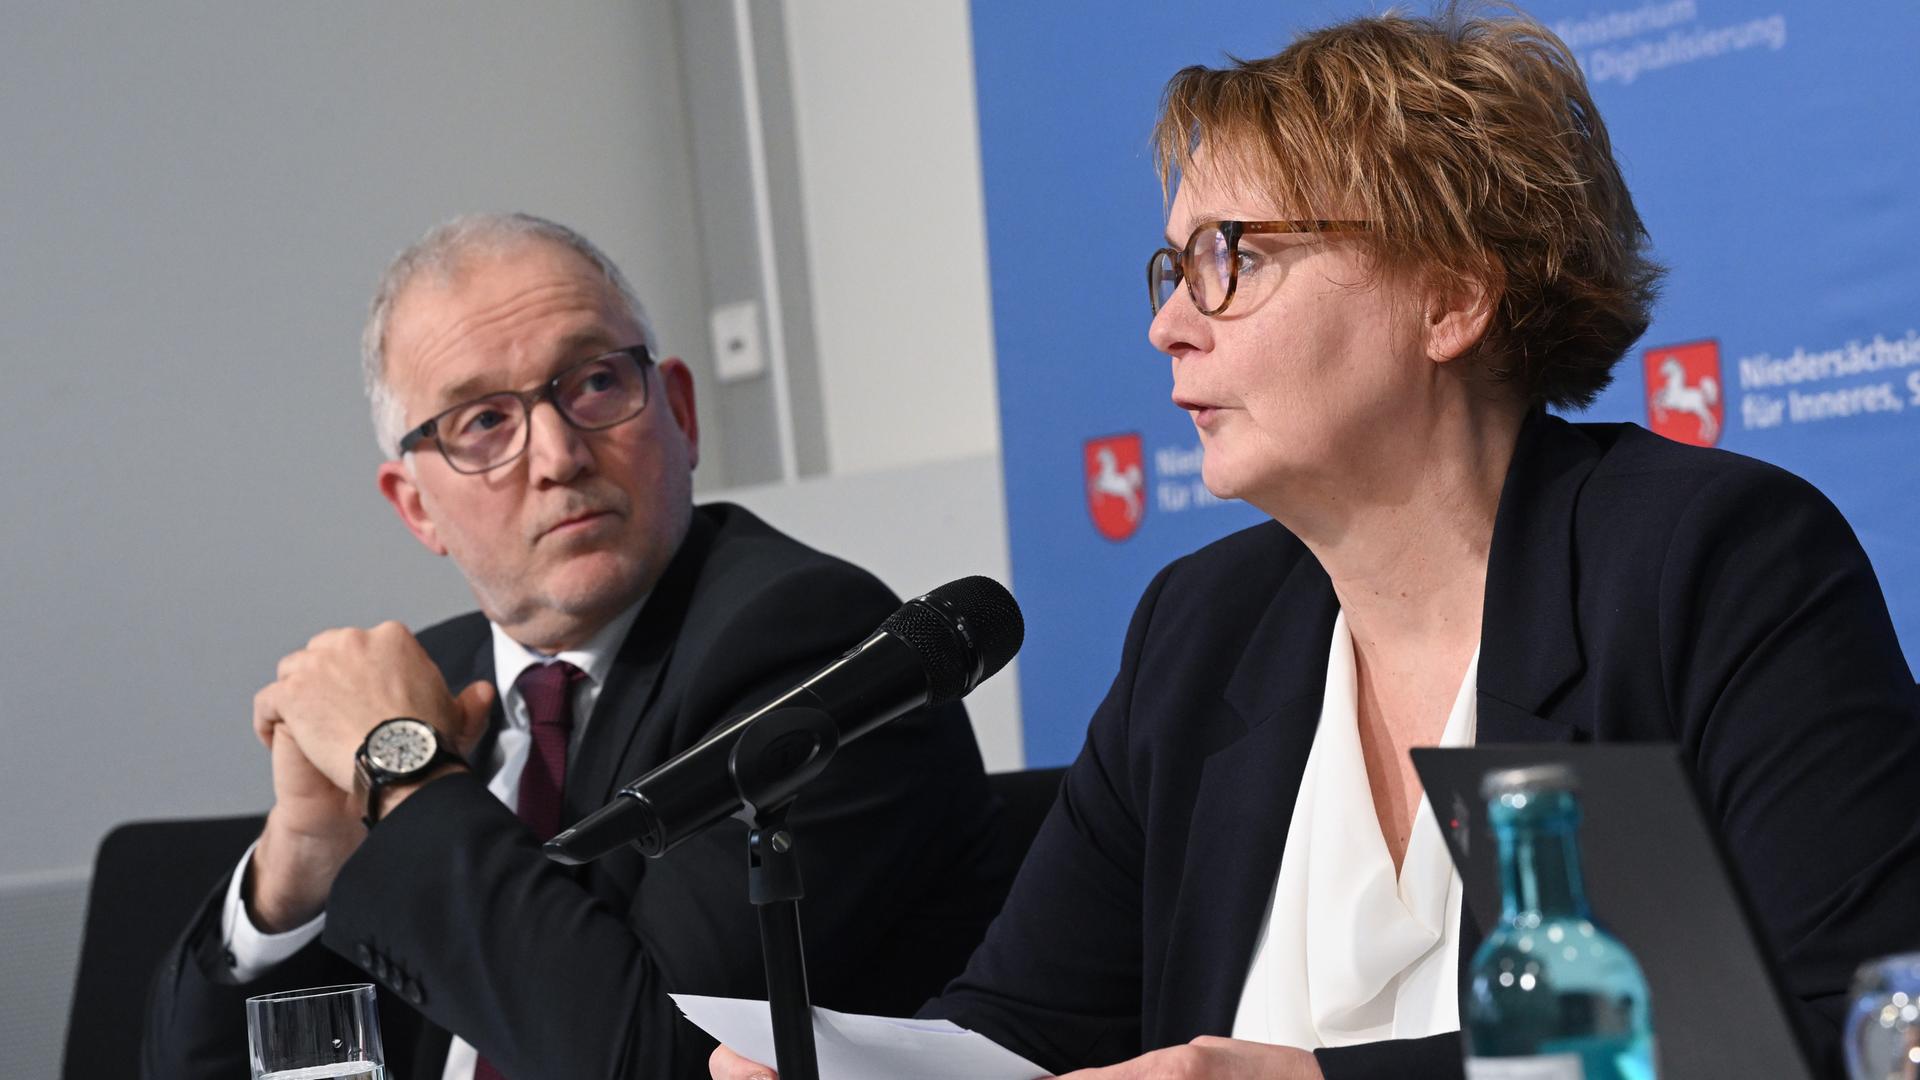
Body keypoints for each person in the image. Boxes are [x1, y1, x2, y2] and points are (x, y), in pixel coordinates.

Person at [713, 6, 1920, 1079]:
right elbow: (1020, 1029)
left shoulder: (1698, 566)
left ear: (1451, 298)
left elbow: (1854, 1027)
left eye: (1231, 257)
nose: (1169, 327)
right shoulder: (1203, 631)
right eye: (1171, 268)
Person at [141, 213, 1009, 1079]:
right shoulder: (431, 688)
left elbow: (646, 1061)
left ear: (679, 410)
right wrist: (294, 870)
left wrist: (405, 774)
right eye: (483, 421)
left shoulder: (812, 643)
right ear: (414, 507)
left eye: (594, 383)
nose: (557, 455)